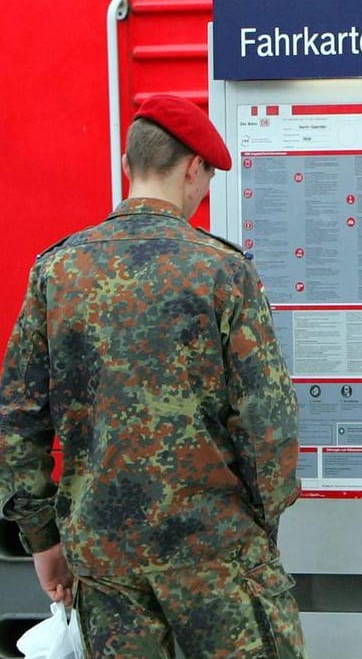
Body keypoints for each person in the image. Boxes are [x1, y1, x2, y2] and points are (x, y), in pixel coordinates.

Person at [0, 95, 305, 657]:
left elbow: (19, 421)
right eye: (206, 179)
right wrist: (260, 523)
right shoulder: (222, 271)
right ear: (194, 168)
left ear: (127, 165)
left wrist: (43, 541)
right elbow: (269, 424)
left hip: (104, 557)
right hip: (214, 551)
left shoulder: (56, 270)